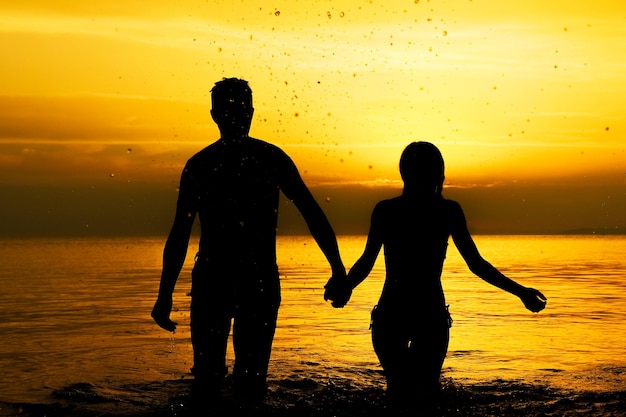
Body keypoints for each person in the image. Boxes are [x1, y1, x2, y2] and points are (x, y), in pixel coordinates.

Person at [151, 78, 346, 410]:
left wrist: (165, 294)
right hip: (256, 280)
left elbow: (180, 234)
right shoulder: (269, 158)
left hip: (216, 279)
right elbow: (312, 213)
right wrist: (337, 269)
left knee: (209, 379)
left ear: (215, 115)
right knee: (250, 380)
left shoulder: (201, 165)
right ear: (247, 113)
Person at [324, 141, 546, 407]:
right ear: (440, 174)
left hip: (394, 313)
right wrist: (520, 292)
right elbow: (476, 264)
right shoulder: (445, 211)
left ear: (404, 173)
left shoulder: (389, 210)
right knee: (426, 396)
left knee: (398, 394)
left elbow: (365, 264)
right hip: (427, 314)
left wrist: (345, 287)